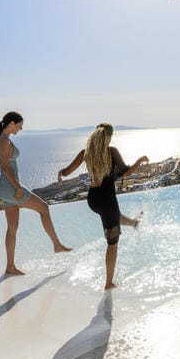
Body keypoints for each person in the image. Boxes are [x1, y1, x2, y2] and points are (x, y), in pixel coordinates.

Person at [58, 123, 148, 289]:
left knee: (113, 217)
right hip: (107, 199)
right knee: (112, 243)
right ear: (109, 137)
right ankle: (108, 283)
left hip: (93, 199)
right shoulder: (111, 151)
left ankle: (134, 223)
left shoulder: (86, 153)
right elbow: (127, 172)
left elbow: (67, 171)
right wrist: (140, 160)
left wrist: (60, 174)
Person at [0, 111, 70, 275]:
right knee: (44, 208)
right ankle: (56, 244)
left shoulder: (2, 139)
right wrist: (18, 187)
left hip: (5, 188)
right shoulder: (4, 141)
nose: (21, 128)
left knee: (12, 227)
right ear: (12, 123)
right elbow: (5, 167)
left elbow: (4, 166)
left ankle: (10, 267)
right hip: (10, 187)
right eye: (19, 125)